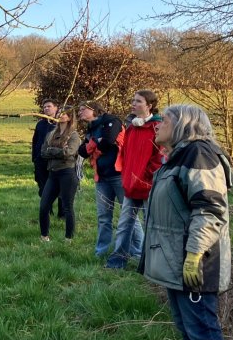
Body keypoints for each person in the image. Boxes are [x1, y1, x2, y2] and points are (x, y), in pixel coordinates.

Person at [140, 104, 232, 340]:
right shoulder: (177, 157)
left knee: (203, 336)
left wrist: (194, 254)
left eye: (165, 121)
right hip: (177, 261)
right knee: (190, 332)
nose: (157, 125)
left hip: (197, 262)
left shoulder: (199, 154)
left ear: (184, 125)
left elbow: (209, 209)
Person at [106, 90, 164, 269]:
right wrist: (126, 175)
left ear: (149, 105)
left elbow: (161, 155)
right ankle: (117, 261)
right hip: (131, 185)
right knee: (124, 224)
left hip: (148, 186)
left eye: (138, 101)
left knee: (150, 226)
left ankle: (150, 263)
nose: (133, 103)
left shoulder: (157, 127)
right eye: (133, 100)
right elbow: (125, 154)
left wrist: (147, 175)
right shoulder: (132, 128)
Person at [77, 101, 125, 257]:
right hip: (102, 177)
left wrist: (93, 144)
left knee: (128, 215)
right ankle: (101, 252)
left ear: (95, 110)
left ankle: (136, 252)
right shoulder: (91, 129)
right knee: (103, 217)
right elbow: (82, 152)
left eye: (83, 109)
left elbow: (106, 144)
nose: (80, 112)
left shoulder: (112, 121)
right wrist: (95, 142)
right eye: (79, 110)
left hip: (119, 175)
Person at [38, 106, 81, 242]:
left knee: (67, 207)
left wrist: (53, 151)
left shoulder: (73, 135)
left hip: (67, 173)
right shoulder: (51, 134)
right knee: (44, 206)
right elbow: (43, 152)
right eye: (58, 112)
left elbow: (69, 153)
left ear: (69, 117)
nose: (59, 115)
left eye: (63, 113)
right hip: (52, 174)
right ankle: (44, 236)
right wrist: (57, 150)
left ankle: (69, 238)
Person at [32, 99, 63, 217]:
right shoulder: (40, 124)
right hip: (40, 161)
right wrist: (35, 158)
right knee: (43, 187)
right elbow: (35, 142)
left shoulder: (60, 123)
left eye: (49, 106)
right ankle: (47, 211)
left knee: (60, 187)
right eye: (44, 107)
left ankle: (62, 213)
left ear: (56, 108)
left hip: (55, 161)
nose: (46, 109)